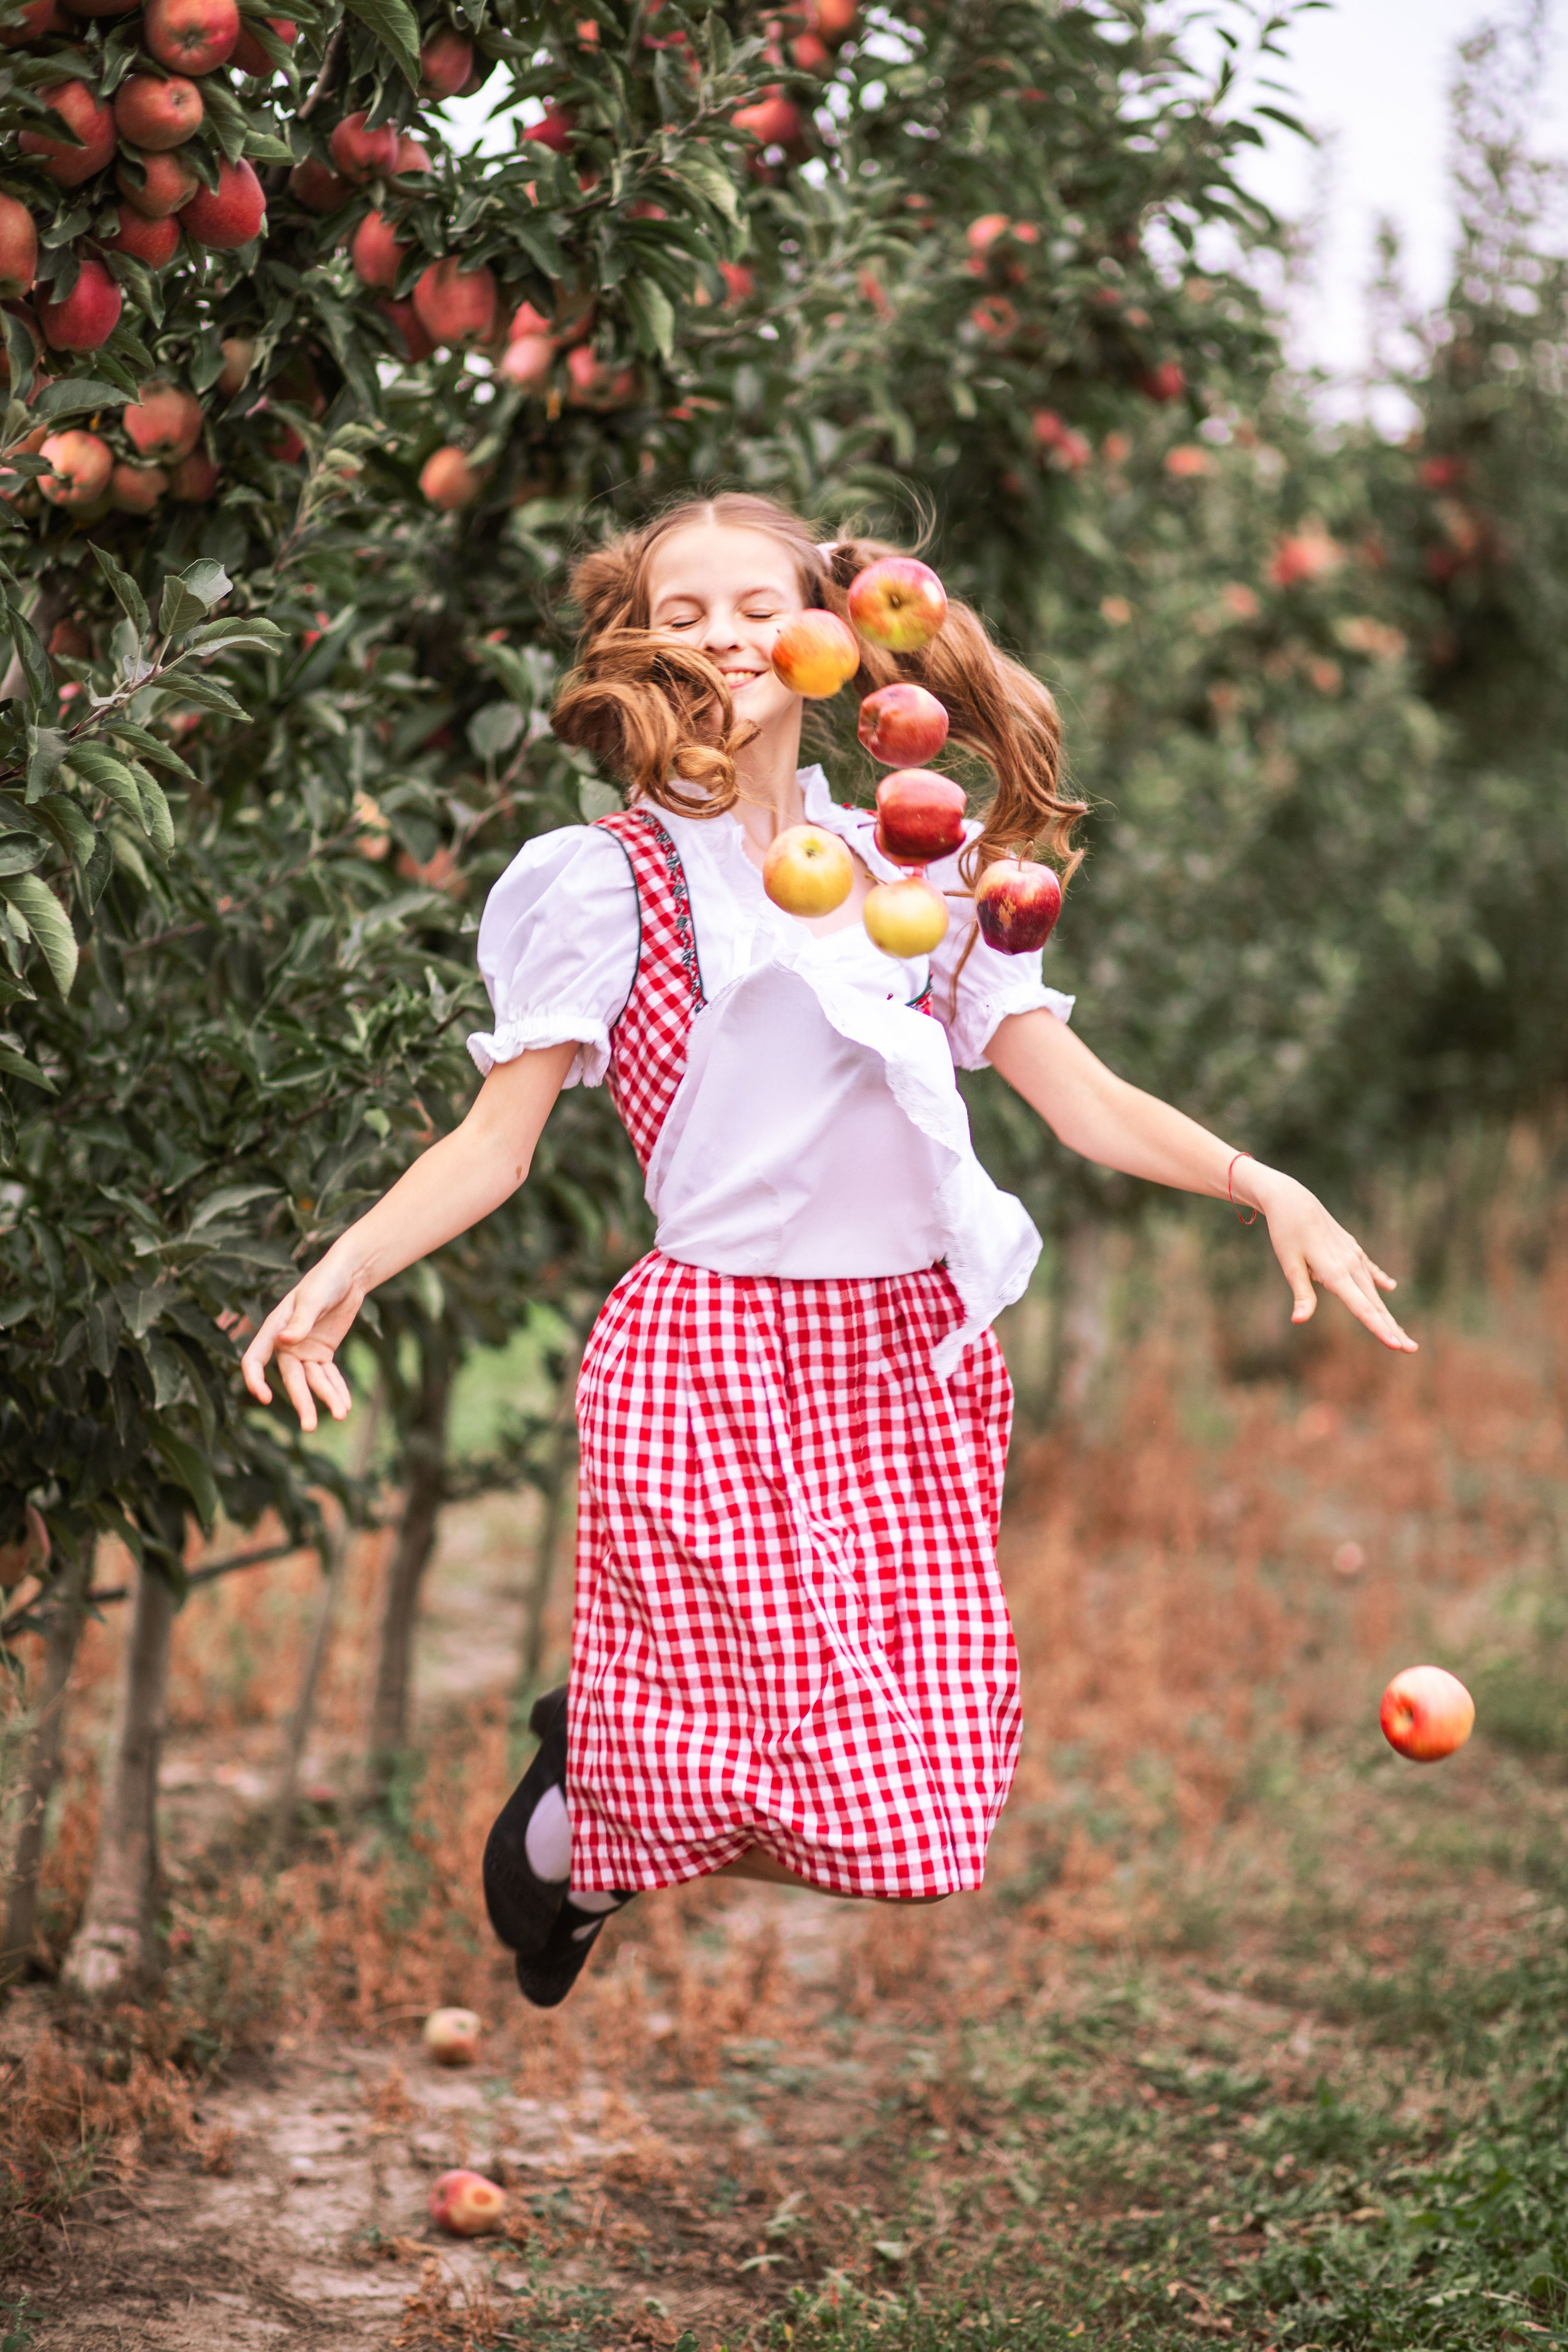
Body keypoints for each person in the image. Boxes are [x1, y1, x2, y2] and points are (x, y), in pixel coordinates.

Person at [239, 492, 1414, 2008]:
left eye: (750, 604)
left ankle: (590, 1783)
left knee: (912, 1830)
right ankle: (585, 1826)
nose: (719, 634)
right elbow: (493, 1142)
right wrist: (346, 1271)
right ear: (636, 651)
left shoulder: (922, 875)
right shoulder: (610, 878)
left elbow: (1079, 1099)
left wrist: (1265, 1187)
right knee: (700, 1778)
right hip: (710, 1352)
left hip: (907, 1361)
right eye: (678, 615)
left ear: (830, 639)